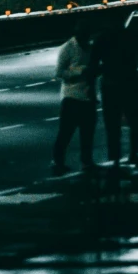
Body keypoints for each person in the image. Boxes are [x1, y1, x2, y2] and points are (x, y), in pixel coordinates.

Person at [98, 15, 138, 168]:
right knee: (135, 122)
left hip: (110, 85)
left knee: (112, 125)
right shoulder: (131, 36)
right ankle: (133, 154)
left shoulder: (102, 38)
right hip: (130, 83)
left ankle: (114, 158)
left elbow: (93, 61)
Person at [50, 29, 99, 174]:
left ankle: (86, 161)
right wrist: (79, 71)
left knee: (88, 133)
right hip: (71, 96)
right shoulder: (68, 48)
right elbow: (59, 72)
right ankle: (58, 161)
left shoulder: (90, 48)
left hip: (88, 95)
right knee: (66, 132)